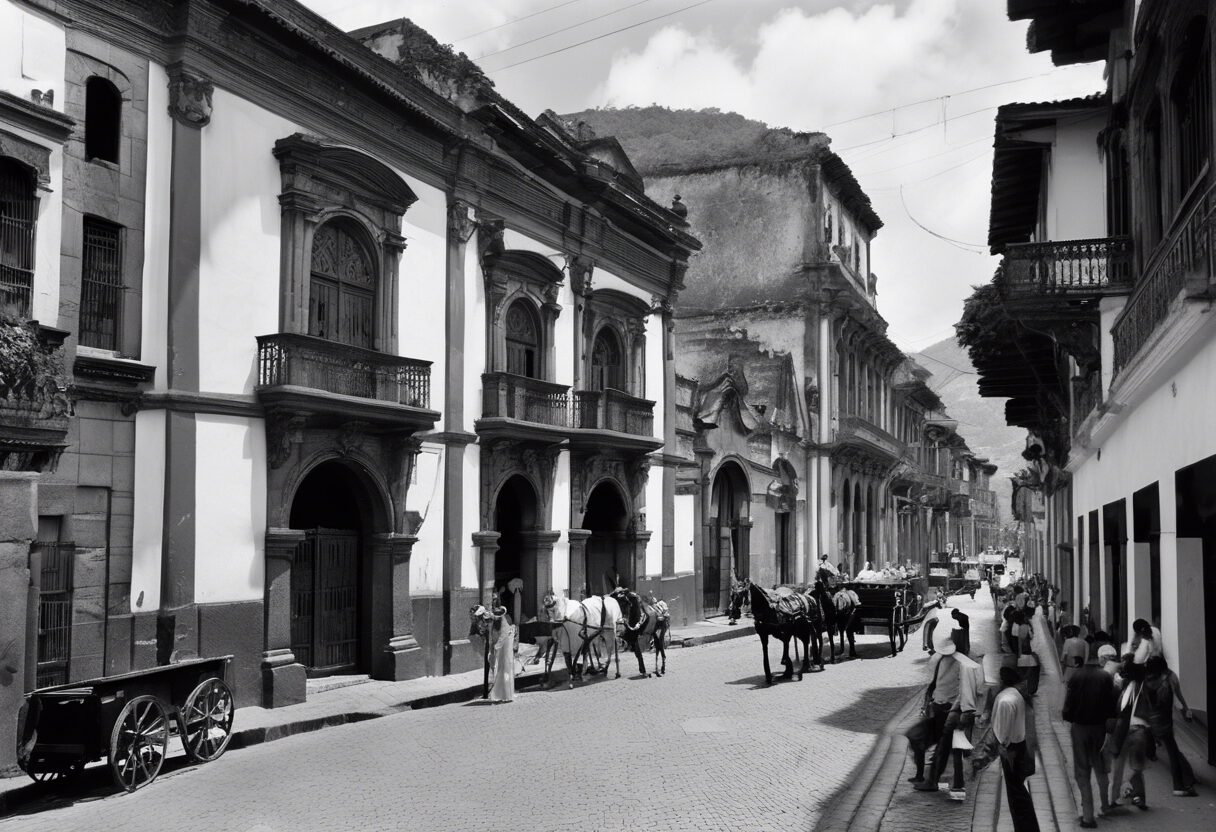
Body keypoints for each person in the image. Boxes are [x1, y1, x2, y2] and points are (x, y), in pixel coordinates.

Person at [1063, 642, 1118, 828]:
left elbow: (1067, 708)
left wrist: (1069, 716)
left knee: (1082, 771)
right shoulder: (1105, 677)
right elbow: (1112, 706)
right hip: (1100, 728)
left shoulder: (1076, 677)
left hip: (1080, 728)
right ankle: (1105, 804)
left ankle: (1088, 816)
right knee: (1100, 767)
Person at [991, 665, 1040, 831]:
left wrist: (1000, 747)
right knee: (1017, 791)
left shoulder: (1006, 699)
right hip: (1018, 746)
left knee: (1016, 793)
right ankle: (1026, 827)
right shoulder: (1016, 695)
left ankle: (1026, 827)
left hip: (1011, 749)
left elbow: (1001, 732)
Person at [1143, 656, 1197, 797]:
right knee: (1173, 752)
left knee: (1172, 750)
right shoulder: (1168, 680)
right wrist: (1185, 708)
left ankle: (1186, 778)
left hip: (1152, 720)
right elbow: (1174, 697)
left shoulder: (1147, 681)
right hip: (1164, 721)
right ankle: (1180, 784)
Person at [1112, 659, 1152, 809]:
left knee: (1127, 766)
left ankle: (1125, 794)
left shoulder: (1134, 687)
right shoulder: (1136, 686)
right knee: (1135, 767)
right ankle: (1137, 796)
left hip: (1130, 730)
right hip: (1132, 730)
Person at [487, 603, 516, 703]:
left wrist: (496, 646)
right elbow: (494, 637)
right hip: (500, 650)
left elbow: (503, 636)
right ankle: (502, 694)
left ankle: (507, 695)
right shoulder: (495, 623)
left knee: (505, 670)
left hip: (505, 650)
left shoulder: (503, 623)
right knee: (501, 670)